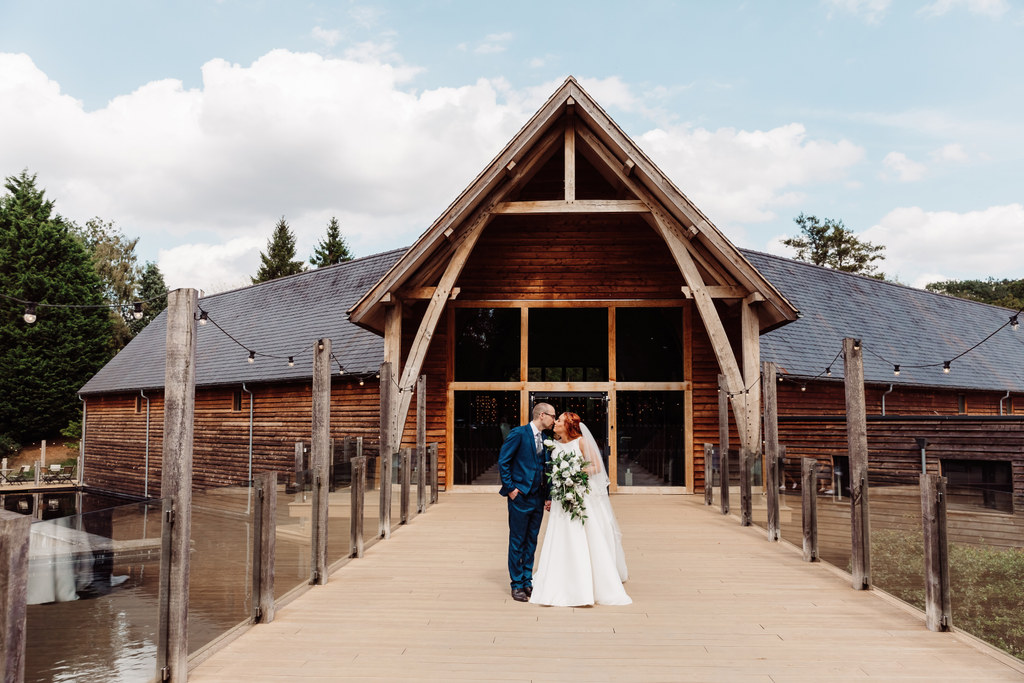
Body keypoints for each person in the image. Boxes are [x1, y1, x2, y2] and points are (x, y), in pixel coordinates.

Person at [530, 411, 631, 607]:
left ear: (568, 425)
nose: (555, 422)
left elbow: (596, 467)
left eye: (559, 420)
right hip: (561, 496)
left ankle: (587, 582)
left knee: (582, 533)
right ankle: (558, 577)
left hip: (579, 494)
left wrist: (575, 471)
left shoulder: (581, 442)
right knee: (560, 534)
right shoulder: (554, 444)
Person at [498, 402, 556, 602]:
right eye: (552, 416)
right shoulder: (518, 433)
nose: (554, 420)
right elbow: (503, 461)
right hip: (520, 496)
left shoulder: (547, 439)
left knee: (532, 541)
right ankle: (516, 585)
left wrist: (548, 496)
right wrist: (511, 489)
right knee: (517, 541)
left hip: (538, 497)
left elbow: (547, 469)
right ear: (542, 415)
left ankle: (526, 581)